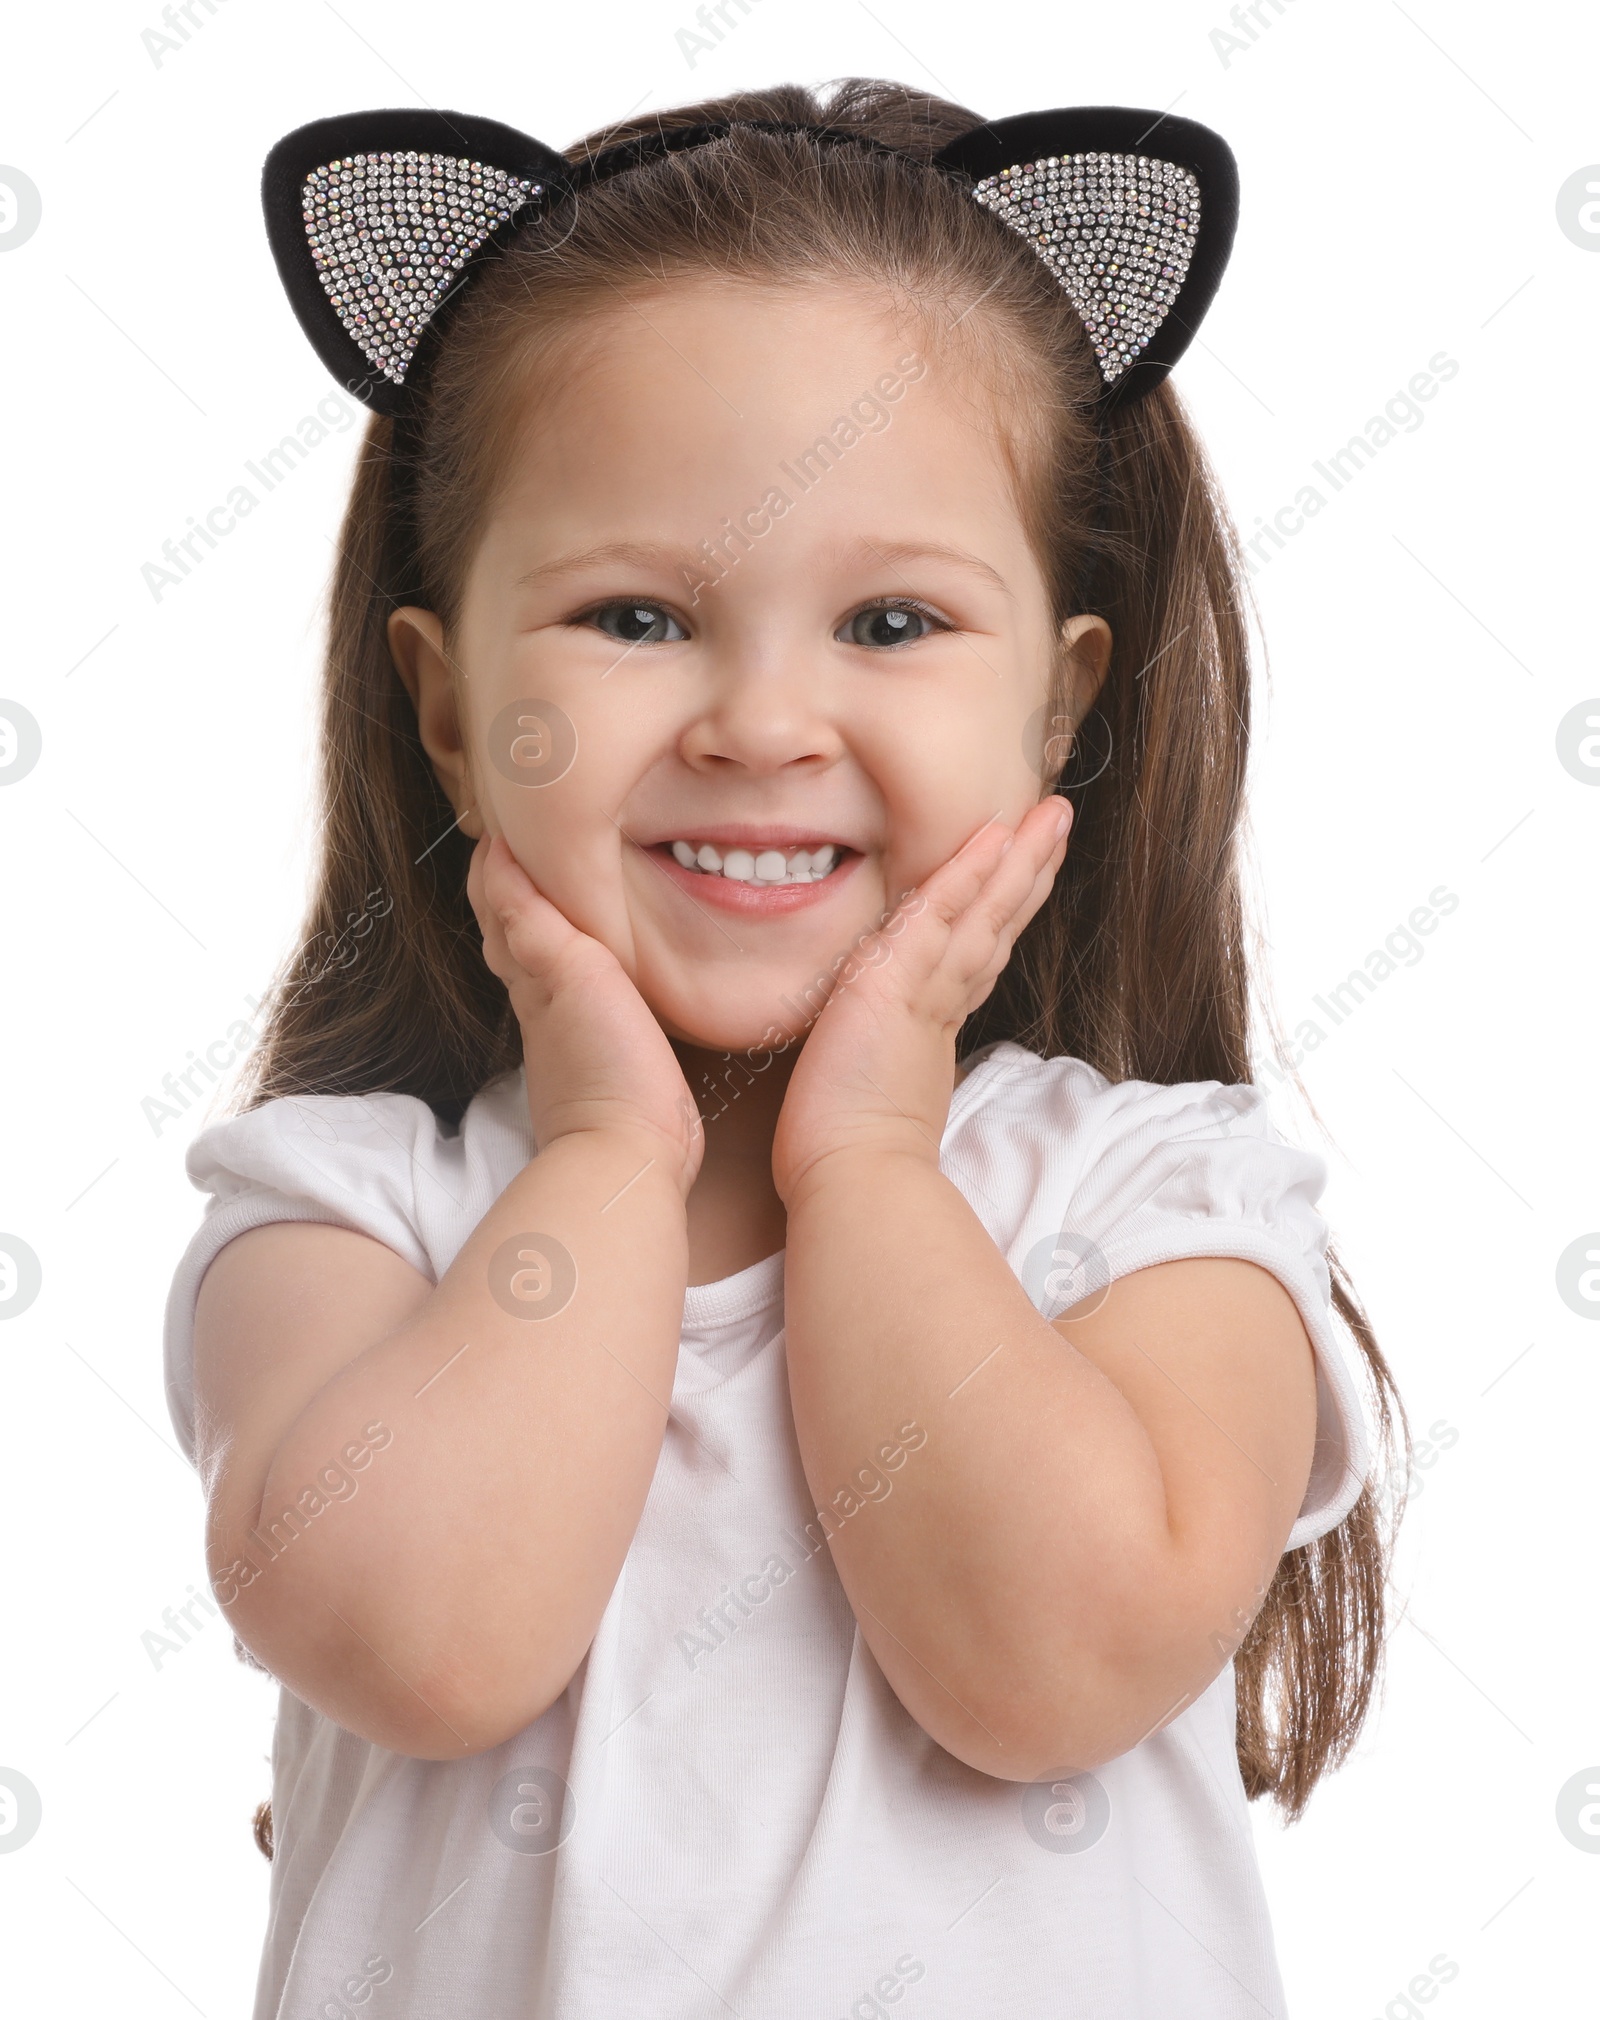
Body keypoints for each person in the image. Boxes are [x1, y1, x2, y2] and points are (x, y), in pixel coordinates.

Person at [165, 78, 1407, 2018]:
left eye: (890, 618)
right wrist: (593, 1156)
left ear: (1057, 696)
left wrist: (868, 1168)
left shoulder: (1160, 1207)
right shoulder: (351, 1217)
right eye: (636, 612)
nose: (760, 720)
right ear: (443, 698)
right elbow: (418, 1631)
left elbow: (1050, 1654)